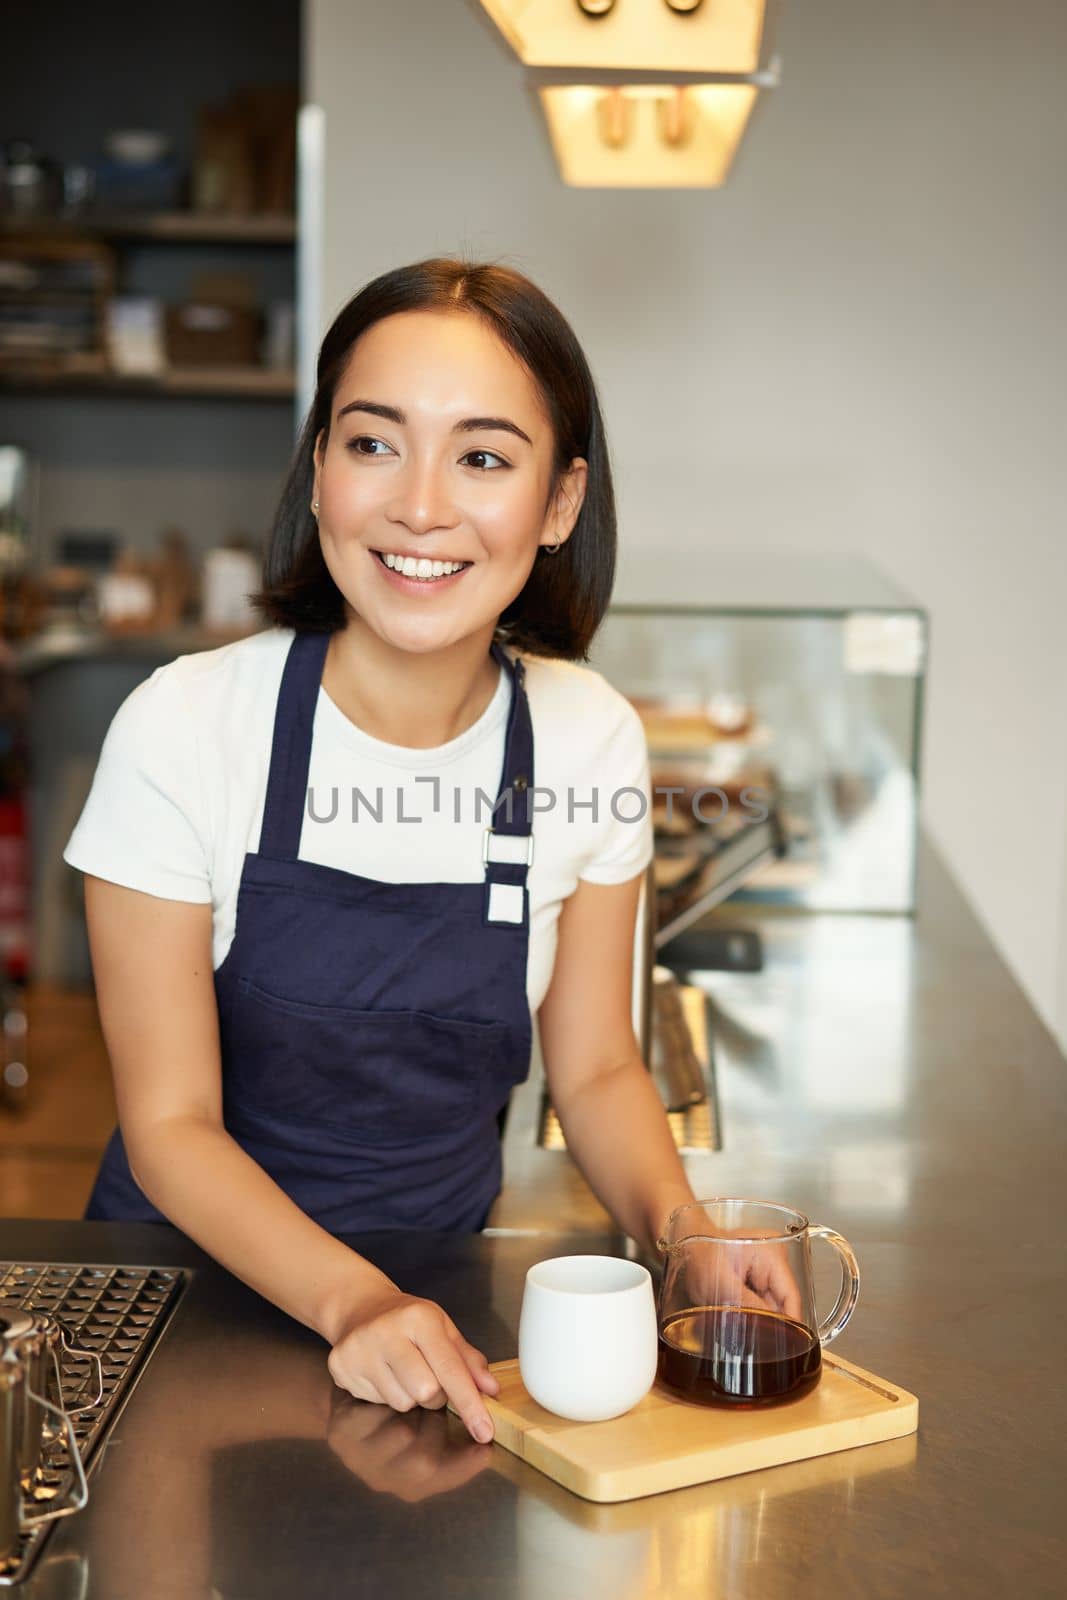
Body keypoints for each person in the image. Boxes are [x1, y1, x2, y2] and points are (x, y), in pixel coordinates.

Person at [64, 257, 795, 1448]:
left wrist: (683, 1226)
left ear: (559, 504)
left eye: (483, 457)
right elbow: (171, 1123)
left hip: (438, 1315)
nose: (418, 505)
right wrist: (351, 1297)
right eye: (372, 443)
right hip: (177, 1304)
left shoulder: (584, 732)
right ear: (317, 470)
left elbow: (599, 1065)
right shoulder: (186, 725)